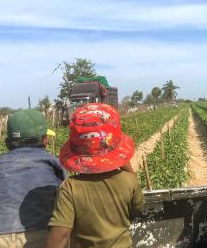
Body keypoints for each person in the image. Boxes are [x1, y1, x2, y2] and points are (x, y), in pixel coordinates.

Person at [46, 103, 144, 248]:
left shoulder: (70, 188)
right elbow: (137, 209)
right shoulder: (129, 180)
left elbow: (60, 235)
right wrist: (128, 169)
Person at [0, 109, 67, 248]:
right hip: (40, 234)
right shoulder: (53, 163)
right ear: (45, 140)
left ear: (7, 142)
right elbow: (65, 197)